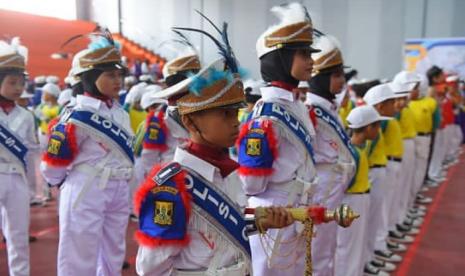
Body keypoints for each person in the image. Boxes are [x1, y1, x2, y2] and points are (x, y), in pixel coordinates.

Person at [134, 16, 295, 275]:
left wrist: (259, 220)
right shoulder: (170, 187)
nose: (236, 123)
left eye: (236, 113)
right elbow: (150, 268)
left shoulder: (228, 171)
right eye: (225, 115)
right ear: (190, 121)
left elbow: (223, 226)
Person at [40, 33, 134, 275]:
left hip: (118, 186)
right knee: (79, 256)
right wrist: (57, 181)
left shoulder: (120, 112)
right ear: (90, 78)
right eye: (110, 75)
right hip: (87, 187)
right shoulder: (76, 114)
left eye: (119, 74)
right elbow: (54, 163)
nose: (118, 80)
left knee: (114, 254)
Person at [237, 3, 320, 275]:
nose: (311, 60)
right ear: (280, 59)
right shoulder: (266, 116)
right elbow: (251, 182)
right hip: (273, 213)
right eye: (303, 54)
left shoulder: (296, 105)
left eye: (310, 53)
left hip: (296, 210)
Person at [304, 34, 357, 276]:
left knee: (328, 248)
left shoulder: (328, 107)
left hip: (333, 187)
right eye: (336, 76)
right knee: (317, 251)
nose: (342, 81)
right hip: (320, 190)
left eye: (341, 75)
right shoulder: (310, 110)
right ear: (321, 78)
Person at [335, 105, 391, 276]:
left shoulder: (359, 149)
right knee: (348, 247)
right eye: (377, 126)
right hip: (352, 201)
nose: (379, 130)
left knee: (356, 246)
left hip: (360, 199)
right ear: (368, 127)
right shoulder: (352, 153)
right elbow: (343, 185)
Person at [0, 37, 36, 276]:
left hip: (17, 179)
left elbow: (31, 154)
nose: (18, 88)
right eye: (12, 82)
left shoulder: (27, 115)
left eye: (21, 83)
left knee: (18, 234)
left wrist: (32, 188)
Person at [362, 84, 403, 274]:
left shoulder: (379, 121)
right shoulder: (373, 124)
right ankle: (367, 259)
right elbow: (365, 152)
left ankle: (370, 257)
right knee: (369, 221)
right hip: (371, 173)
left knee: (374, 218)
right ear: (379, 106)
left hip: (377, 171)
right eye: (391, 102)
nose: (395, 105)